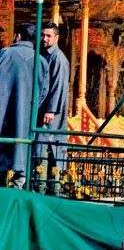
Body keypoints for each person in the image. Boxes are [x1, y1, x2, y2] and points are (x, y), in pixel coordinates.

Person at [0, 23, 45, 187]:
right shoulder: (40, 61)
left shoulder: (5, 54)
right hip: (25, 118)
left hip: (2, 116)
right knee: (22, 156)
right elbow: (43, 92)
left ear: (18, 36)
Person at [37, 22, 70, 169]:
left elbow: (59, 85)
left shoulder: (58, 58)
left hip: (52, 113)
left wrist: (51, 109)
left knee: (49, 143)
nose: (45, 38)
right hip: (43, 108)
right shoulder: (44, 54)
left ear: (56, 38)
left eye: (48, 36)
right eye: (43, 35)